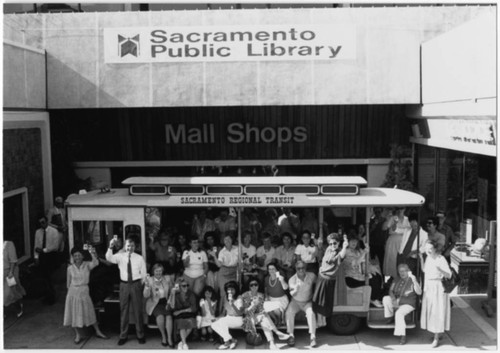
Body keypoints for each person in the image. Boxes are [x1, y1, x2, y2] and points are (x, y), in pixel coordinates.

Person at [106, 235, 147, 345]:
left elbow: (143, 274)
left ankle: (140, 335)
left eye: (132, 246)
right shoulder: (120, 256)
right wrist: (110, 246)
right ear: (125, 246)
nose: (130, 248)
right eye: (128, 245)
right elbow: (108, 258)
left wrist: (139, 285)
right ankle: (123, 335)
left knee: (138, 310)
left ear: (135, 246)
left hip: (136, 284)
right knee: (124, 310)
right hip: (124, 285)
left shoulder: (139, 258)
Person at [63, 246, 108, 343]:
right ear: (73, 257)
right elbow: (68, 284)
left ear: (83, 256)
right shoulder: (70, 268)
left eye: (79, 255)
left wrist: (92, 252)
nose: (77, 257)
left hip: (84, 291)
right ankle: (78, 335)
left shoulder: (87, 265)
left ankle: (98, 331)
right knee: (74, 313)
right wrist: (70, 296)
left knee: (89, 311)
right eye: (75, 256)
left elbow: (96, 262)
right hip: (73, 292)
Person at [420, 240, 452, 348]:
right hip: (429, 287)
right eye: (426, 248)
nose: (428, 250)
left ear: (435, 249)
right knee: (431, 312)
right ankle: (437, 333)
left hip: (438, 287)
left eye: (430, 248)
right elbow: (425, 270)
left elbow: (449, 275)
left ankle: (436, 338)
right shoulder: (428, 258)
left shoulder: (440, 259)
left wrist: (440, 270)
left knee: (437, 312)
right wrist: (420, 259)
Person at [241, 279, 290, 350]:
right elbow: (245, 312)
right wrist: (252, 306)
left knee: (264, 319)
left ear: (258, 286)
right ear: (249, 286)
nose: (254, 286)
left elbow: (262, 308)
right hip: (249, 318)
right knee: (264, 317)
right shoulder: (245, 295)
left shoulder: (261, 295)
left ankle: (272, 343)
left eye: (255, 284)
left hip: (259, 316)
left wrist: (263, 310)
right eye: (251, 285)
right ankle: (277, 332)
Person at [312, 233, 347, 327]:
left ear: (339, 243)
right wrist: (315, 240)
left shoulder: (339, 252)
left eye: (334, 243)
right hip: (321, 277)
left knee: (324, 302)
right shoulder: (328, 249)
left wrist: (345, 246)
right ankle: (321, 321)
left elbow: (342, 255)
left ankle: (322, 322)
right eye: (330, 243)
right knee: (318, 301)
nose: (332, 245)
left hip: (328, 280)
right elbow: (320, 248)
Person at [382, 263, 422, 345]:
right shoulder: (396, 279)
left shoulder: (412, 279)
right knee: (386, 299)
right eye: (400, 271)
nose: (402, 273)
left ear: (408, 271)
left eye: (404, 271)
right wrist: (393, 299)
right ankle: (390, 317)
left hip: (408, 303)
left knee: (399, 313)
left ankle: (403, 336)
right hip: (397, 300)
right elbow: (390, 290)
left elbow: (419, 292)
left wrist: (414, 280)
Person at [285, 261, 317, 348]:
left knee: (311, 313)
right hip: (295, 302)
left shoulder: (311, 276)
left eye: (303, 268)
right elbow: (292, 294)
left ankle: (312, 337)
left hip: (307, 302)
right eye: (298, 268)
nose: (301, 270)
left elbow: (319, 282)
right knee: (289, 312)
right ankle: (291, 335)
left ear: (305, 268)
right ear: (296, 269)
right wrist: (296, 288)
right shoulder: (292, 279)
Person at [34, 215, 63, 304]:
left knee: (50, 277)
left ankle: (51, 297)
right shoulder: (38, 232)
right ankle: (47, 296)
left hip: (51, 256)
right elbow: (36, 245)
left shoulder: (54, 231)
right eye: (40, 223)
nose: (42, 224)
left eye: (43, 222)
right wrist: (36, 257)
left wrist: (42, 250)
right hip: (42, 257)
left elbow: (55, 246)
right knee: (44, 277)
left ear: (46, 222)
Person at [143, 263, 174, 347]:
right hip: (155, 303)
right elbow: (146, 295)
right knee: (160, 317)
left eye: (160, 271)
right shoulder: (149, 280)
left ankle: (170, 338)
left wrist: (170, 301)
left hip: (166, 302)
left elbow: (171, 291)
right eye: (156, 271)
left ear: (162, 271)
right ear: (153, 271)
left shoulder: (167, 279)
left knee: (169, 317)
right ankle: (163, 336)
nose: (158, 273)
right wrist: (146, 286)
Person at [211, 281, 244, 350]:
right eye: (228, 289)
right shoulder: (225, 297)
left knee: (223, 322)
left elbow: (240, 313)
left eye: (232, 289)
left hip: (238, 319)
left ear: (236, 289)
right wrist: (217, 318)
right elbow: (223, 313)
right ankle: (232, 340)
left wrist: (232, 304)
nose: (230, 291)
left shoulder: (239, 297)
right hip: (228, 318)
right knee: (213, 324)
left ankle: (227, 342)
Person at [212, 234, 239, 310]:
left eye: (229, 239)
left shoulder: (237, 249)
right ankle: (221, 311)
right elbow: (219, 265)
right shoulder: (222, 252)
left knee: (234, 292)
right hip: (224, 272)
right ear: (223, 241)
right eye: (225, 240)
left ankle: (232, 311)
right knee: (224, 293)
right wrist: (214, 256)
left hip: (234, 271)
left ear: (232, 240)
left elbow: (241, 260)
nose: (227, 241)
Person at [169, 277, 197, 350]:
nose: (186, 287)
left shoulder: (191, 294)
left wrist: (181, 311)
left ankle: (182, 342)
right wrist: (185, 310)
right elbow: (173, 308)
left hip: (188, 314)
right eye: (184, 286)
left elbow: (193, 308)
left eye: (187, 285)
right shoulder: (176, 295)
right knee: (182, 324)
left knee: (191, 322)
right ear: (180, 287)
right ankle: (184, 344)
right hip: (180, 316)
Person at [383, 208, 411, 281]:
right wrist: (391, 220)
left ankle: (402, 277)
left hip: (404, 241)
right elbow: (384, 228)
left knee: (402, 259)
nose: (401, 210)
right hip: (393, 241)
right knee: (392, 259)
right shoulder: (393, 217)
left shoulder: (407, 219)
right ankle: (392, 278)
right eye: (399, 208)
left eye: (402, 208)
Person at [3, 239, 26, 318]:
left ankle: (18, 307)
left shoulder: (9, 244)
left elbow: (13, 260)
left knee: (10, 293)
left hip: (9, 272)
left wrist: (11, 272)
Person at [46, 196, 67, 263]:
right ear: (55, 203)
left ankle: (61, 261)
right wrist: (57, 227)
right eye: (58, 203)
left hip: (63, 231)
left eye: (61, 203)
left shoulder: (63, 210)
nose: (60, 204)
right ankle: (56, 262)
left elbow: (64, 220)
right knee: (56, 247)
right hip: (56, 232)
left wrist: (66, 226)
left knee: (62, 246)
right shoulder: (51, 211)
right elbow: (48, 223)